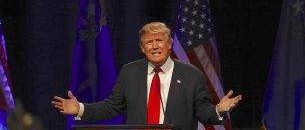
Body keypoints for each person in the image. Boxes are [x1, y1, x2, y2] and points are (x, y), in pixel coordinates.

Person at [52, 22, 242, 130]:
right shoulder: (130, 72)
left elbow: (203, 112)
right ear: (142, 49)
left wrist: (218, 109)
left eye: (159, 40)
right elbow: (111, 107)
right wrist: (80, 109)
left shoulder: (192, 75)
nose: (154, 46)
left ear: (169, 45)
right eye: (148, 42)